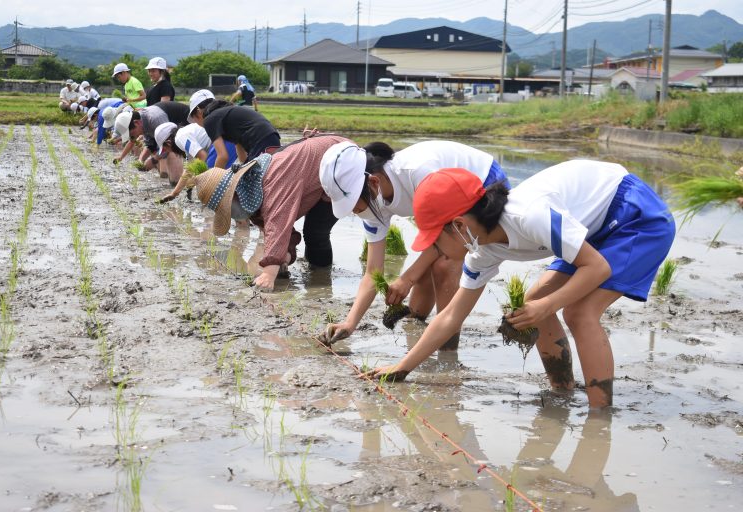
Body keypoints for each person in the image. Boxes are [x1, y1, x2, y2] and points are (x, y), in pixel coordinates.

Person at [364, 161, 676, 409]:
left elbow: (597, 267)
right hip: (594, 224)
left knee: (579, 312)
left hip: (635, 213)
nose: (436, 250)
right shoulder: (482, 250)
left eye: (435, 239)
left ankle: (599, 416)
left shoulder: (531, 216)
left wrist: (548, 306)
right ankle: (562, 391)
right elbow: (451, 316)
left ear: (459, 225)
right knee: (537, 297)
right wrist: (403, 367)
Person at [318, 141, 509, 350]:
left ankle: (447, 349)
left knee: (445, 263)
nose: (355, 212)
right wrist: (350, 322)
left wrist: (406, 278)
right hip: (448, 209)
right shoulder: (372, 203)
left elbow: (447, 236)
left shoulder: (418, 173)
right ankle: (416, 333)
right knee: (423, 269)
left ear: (373, 182)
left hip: (485, 186)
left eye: (354, 205)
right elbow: (373, 271)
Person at [190, 134, 353, 290]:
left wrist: (268, 274)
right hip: (319, 172)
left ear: (234, 194)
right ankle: (317, 275)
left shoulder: (272, 180)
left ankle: (321, 281)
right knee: (313, 232)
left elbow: (278, 225)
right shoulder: (253, 195)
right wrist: (284, 259)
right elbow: (277, 233)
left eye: (227, 208)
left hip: (341, 161)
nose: (231, 215)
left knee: (316, 232)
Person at [154, 121, 239, 202]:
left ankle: (234, 205)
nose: (169, 152)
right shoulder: (184, 134)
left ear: (168, 143)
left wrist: (194, 181)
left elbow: (203, 157)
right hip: (226, 139)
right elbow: (189, 169)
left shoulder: (180, 138)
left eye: (166, 149)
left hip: (226, 141)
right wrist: (174, 193)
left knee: (212, 185)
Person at [113, 101, 190, 183]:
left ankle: (176, 184)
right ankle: (170, 182)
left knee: (171, 152)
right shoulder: (142, 122)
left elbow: (170, 143)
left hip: (187, 122)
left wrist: (153, 160)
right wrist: (141, 160)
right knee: (158, 152)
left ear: (136, 123)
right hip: (172, 132)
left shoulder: (154, 119)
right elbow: (150, 146)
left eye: (131, 134)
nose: (133, 138)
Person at [199, 101, 280, 165]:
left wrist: (213, 179)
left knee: (257, 178)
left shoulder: (209, 119)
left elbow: (223, 156)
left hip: (260, 139)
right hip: (272, 136)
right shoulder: (232, 117)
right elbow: (242, 157)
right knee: (270, 176)